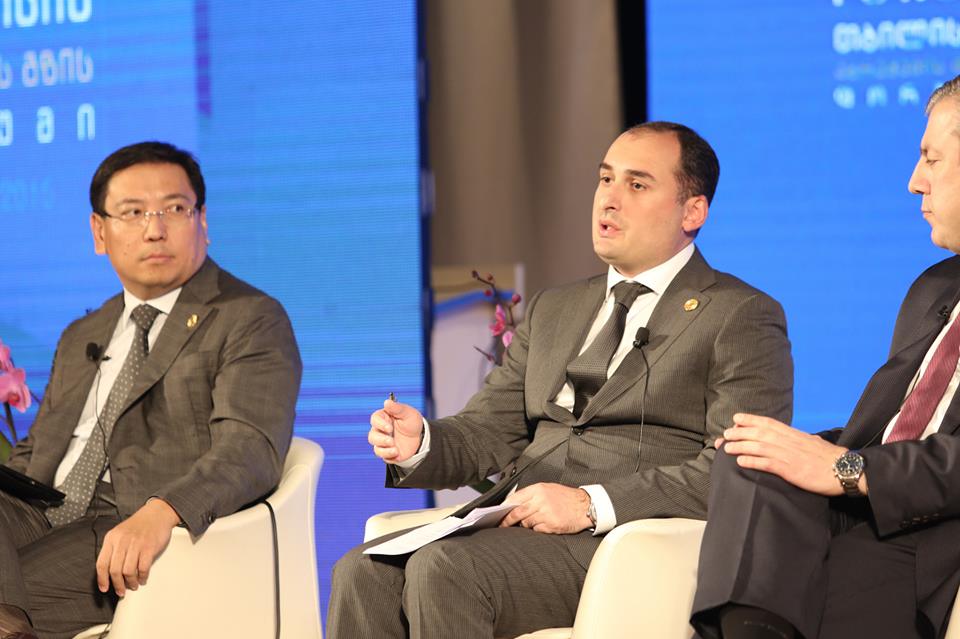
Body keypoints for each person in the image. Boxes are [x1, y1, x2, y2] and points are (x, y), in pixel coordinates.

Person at [327, 121, 794, 639]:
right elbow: (490, 429)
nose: (609, 199)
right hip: (517, 525)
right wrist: (421, 443)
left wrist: (589, 504)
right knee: (361, 572)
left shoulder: (739, 314)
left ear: (693, 211)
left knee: (446, 570)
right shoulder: (556, 308)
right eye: (605, 179)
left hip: (623, 545)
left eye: (637, 184)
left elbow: (735, 471)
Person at [690, 74, 960, 639]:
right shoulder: (934, 288)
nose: (915, 182)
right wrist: (798, 448)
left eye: (932, 159)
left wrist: (846, 469)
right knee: (748, 458)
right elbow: (891, 430)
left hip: (929, 530)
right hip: (863, 500)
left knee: (834, 574)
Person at [0, 142, 302, 639]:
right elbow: (36, 451)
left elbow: (250, 448)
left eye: (175, 209)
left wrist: (162, 510)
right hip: (44, 512)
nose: (155, 229)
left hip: (129, 526)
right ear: (100, 232)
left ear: (202, 221)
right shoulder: (83, 333)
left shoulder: (249, 318)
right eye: (133, 212)